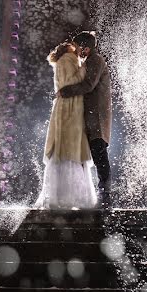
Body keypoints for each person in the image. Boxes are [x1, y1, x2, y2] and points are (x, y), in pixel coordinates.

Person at [35, 42, 97, 209]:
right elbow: (70, 82)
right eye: (74, 47)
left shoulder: (62, 60)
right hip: (70, 109)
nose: (77, 49)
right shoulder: (68, 59)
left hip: (66, 108)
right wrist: (84, 67)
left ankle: (59, 196)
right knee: (71, 150)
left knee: (66, 150)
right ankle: (71, 198)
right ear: (68, 49)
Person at [58, 31, 113, 208]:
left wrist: (65, 92)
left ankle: (105, 197)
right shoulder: (90, 61)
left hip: (96, 118)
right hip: (91, 118)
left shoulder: (95, 60)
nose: (76, 51)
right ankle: (92, 195)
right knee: (92, 158)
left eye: (78, 48)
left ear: (86, 48)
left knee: (99, 157)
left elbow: (89, 85)